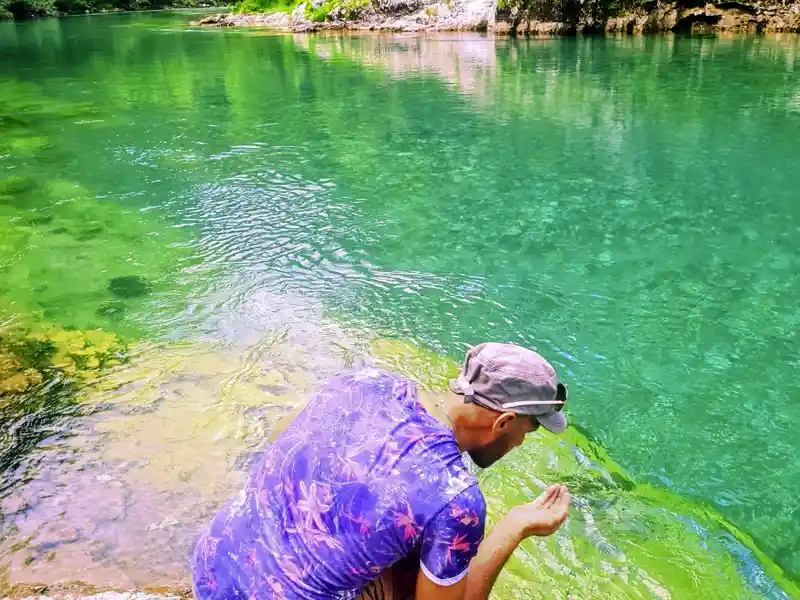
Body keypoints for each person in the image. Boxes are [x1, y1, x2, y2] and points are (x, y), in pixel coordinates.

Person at [193, 342, 572, 600]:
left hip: (211, 571)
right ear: (504, 422)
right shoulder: (456, 497)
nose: (524, 440)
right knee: (431, 564)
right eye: (532, 427)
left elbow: (286, 438)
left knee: (408, 538)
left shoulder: (366, 382)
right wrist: (515, 527)